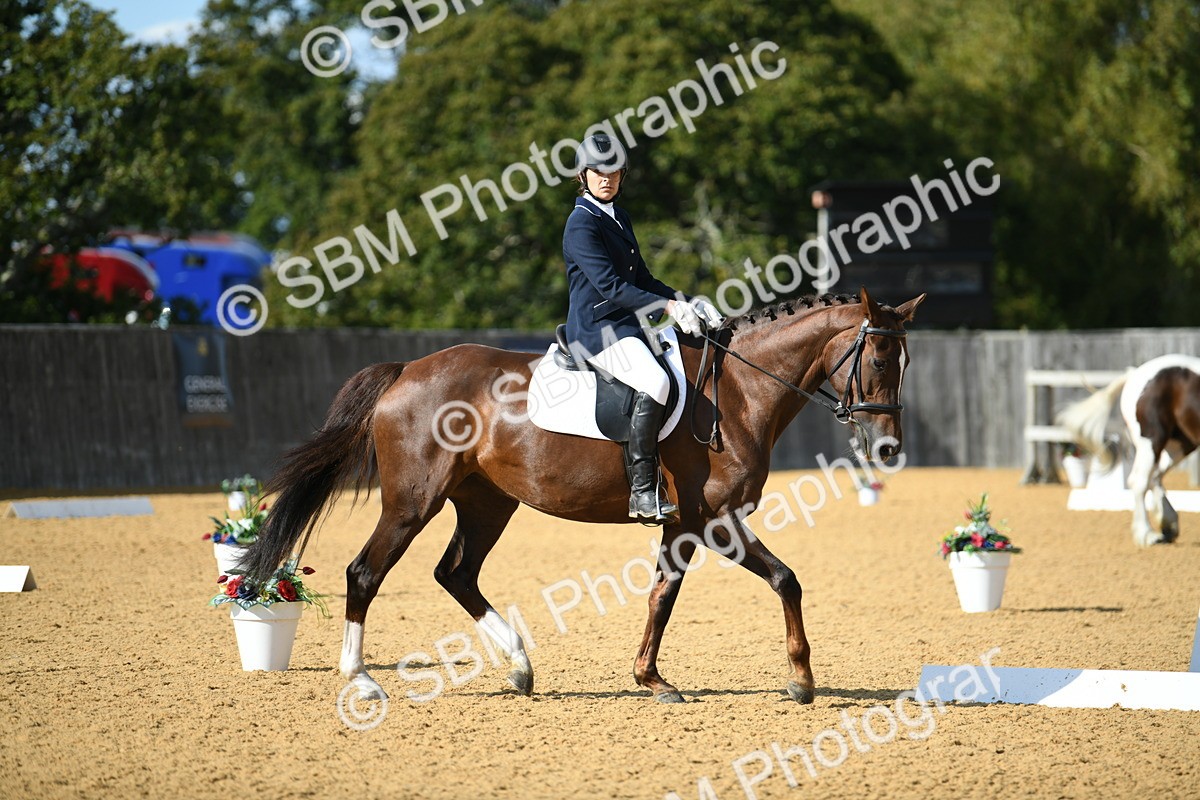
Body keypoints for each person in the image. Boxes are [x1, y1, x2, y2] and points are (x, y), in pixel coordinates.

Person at [562, 133, 723, 524]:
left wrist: (685, 301)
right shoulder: (581, 223)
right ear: (583, 175)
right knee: (656, 382)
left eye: (614, 172)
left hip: (627, 324)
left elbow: (643, 278)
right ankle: (642, 492)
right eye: (599, 172)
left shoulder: (619, 215)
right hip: (597, 330)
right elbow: (611, 287)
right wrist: (666, 307)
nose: (607, 179)